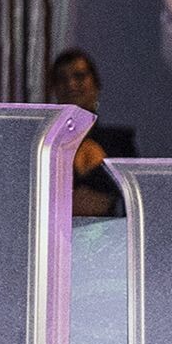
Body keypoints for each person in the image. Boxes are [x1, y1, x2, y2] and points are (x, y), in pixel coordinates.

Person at [48, 46, 135, 218]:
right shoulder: (45, 146)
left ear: (96, 85)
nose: (71, 85)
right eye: (62, 79)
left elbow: (133, 202)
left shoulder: (119, 143)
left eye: (79, 76)